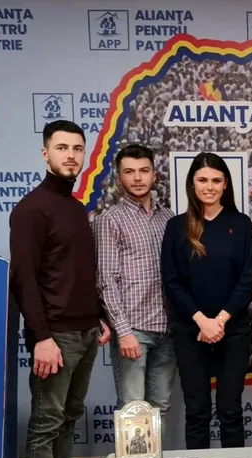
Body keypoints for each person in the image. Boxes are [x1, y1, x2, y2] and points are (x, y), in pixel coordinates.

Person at [9, 120, 110, 458]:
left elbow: (76, 272)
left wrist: (99, 316)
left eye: (77, 148)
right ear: (45, 153)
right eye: (62, 147)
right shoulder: (32, 209)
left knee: (68, 417)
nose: (71, 155)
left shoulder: (74, 206)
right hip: (56, 336)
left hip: (85, 330)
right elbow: (25, 279)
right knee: (46, 425)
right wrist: (41, 337)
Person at [161, 153, 252, 449]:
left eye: (216, 180)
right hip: (191, 331)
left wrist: (221, 320)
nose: (209, 186)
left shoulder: (240, 224)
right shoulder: (176, 227)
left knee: (230, 410)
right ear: (192, 184)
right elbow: (172, 281)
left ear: (225, 184)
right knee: (197, 411)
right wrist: (202, 321)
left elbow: (248, 278)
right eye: (202, 180)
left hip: (233, 330)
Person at [94, 144, 176, 439]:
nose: (138, 178)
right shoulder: (110, 220)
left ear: (154, 175)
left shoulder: (169, 218)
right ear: (119, 178)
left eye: (144, 171)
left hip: (168, 328)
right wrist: (123, 331)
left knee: (160, 407)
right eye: (130, 172)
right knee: (132, 409)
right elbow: (106, 280)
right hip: (133, 329)